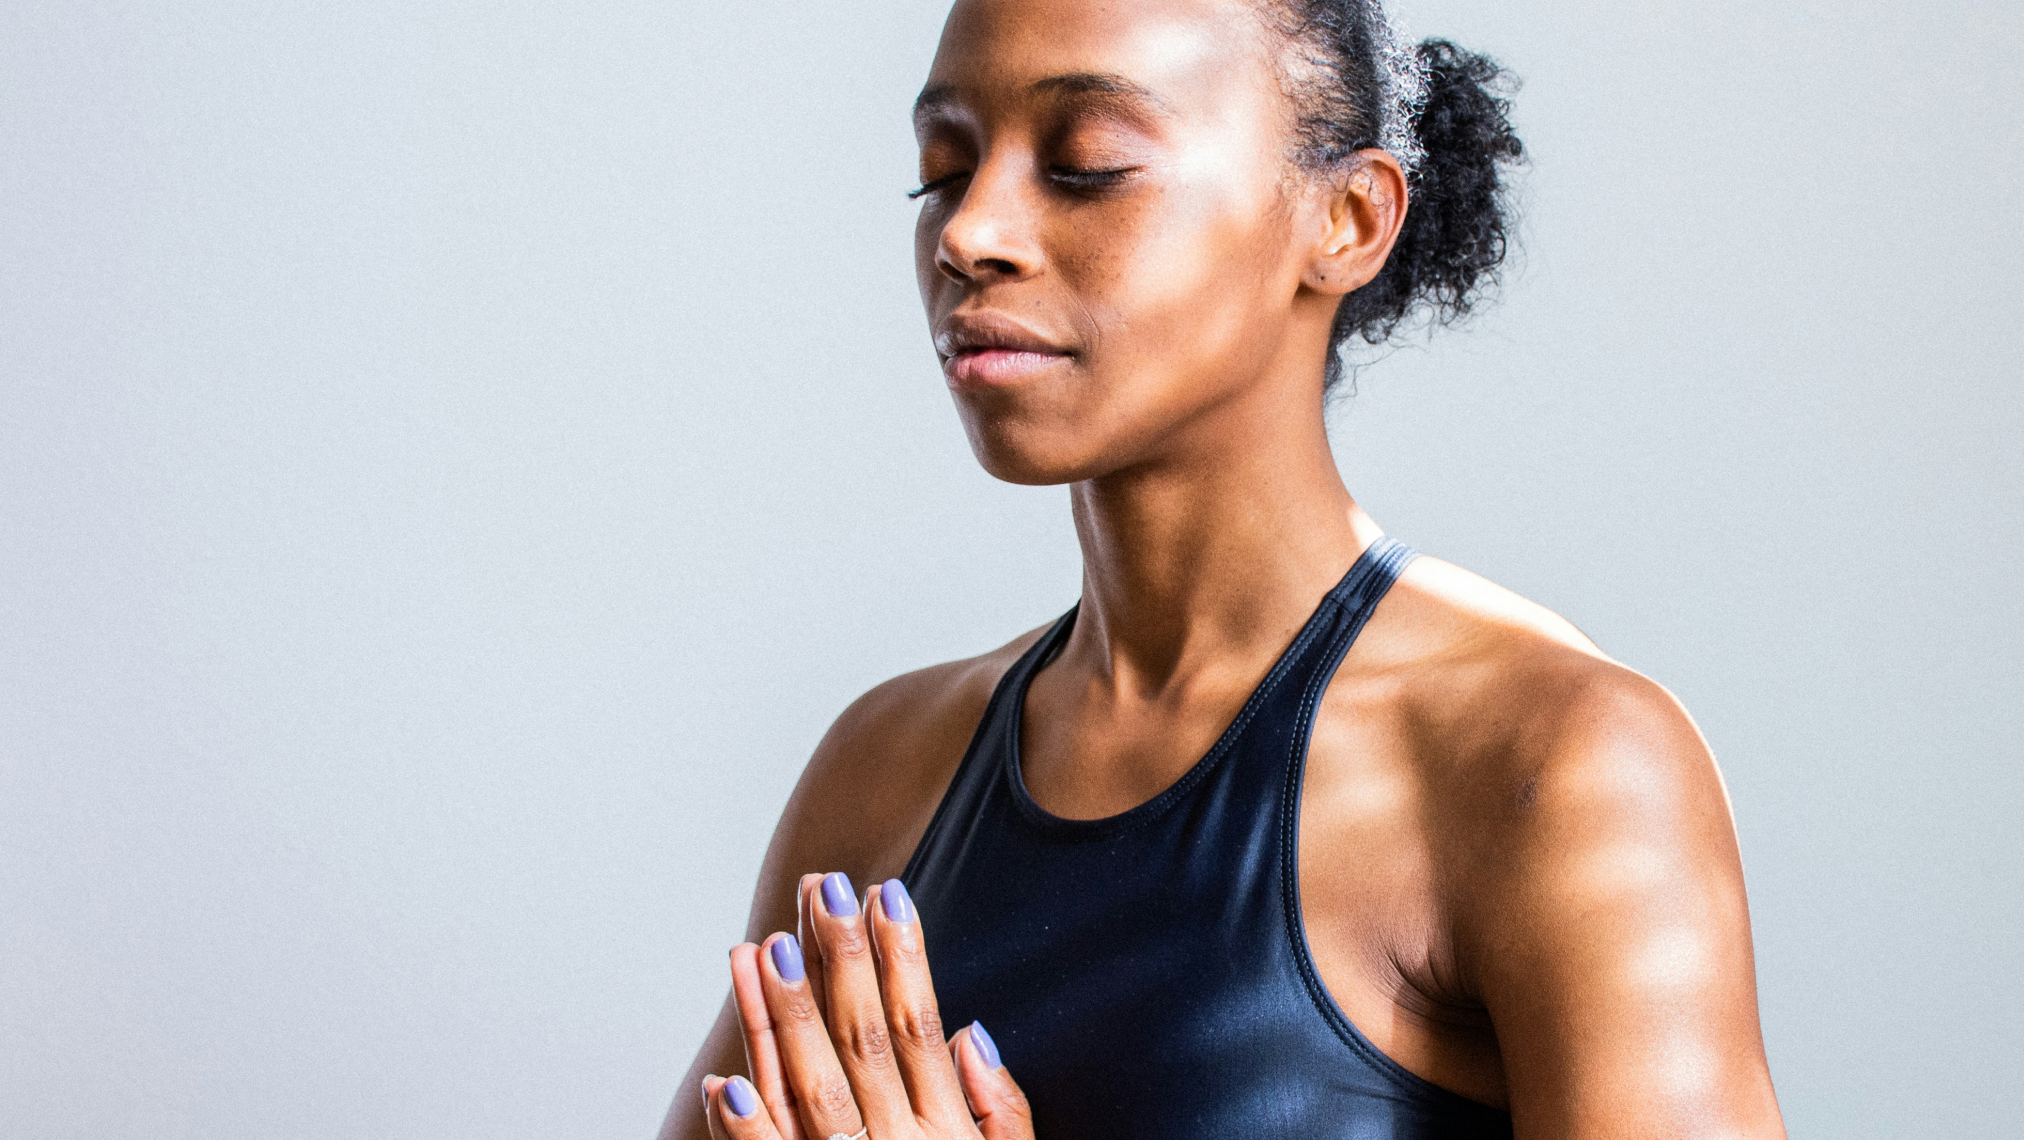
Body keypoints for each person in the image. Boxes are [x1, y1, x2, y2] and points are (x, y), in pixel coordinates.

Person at [660, 0, 1787, 1135]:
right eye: (942, 171)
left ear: (1346, 218)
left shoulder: (1555, 766)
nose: (970, 233)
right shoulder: (882, 775)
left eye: (1086, 165)